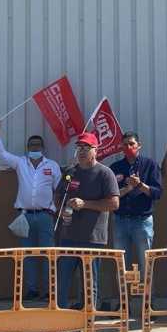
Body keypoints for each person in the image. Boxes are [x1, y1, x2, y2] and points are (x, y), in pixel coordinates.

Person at [0, 118, 61, 300]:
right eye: (32, 145)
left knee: (47, 255)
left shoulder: (52, 166)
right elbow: (2, 154)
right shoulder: (20, 163)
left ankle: (48, 291)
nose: (35, 148)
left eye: (38, 145)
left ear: (43, 148)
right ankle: (30, 290)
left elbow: (60, 190)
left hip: (46, 216)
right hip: (24, 217)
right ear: (27, 147)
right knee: (26, 255)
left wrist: (54, 209)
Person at [55, 132, 120, 319]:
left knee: (88, 282)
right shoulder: (70, 173)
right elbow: (58, 196)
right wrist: (64, 208)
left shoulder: (104, 173)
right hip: (68, 236)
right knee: (62, 280)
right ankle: (59, 321)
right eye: (79, 148)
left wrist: (86, 204)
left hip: (93, 238)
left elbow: (114, 203)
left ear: (96, 150)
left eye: (86, 148)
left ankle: (86, 322)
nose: (82, 151)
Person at [109, 132, 163, 286]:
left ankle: (147, 303)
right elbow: (111, 196)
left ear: (139, 145)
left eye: (132, 144)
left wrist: (140, 185)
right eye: (125, 144)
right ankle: (123, 304)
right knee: (121, 264)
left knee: (145, 263)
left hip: (142, 221)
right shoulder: (115, 167)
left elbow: (157, 193)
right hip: (120, 221)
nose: (128, 147)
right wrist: (128, 188)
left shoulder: (150, 165)